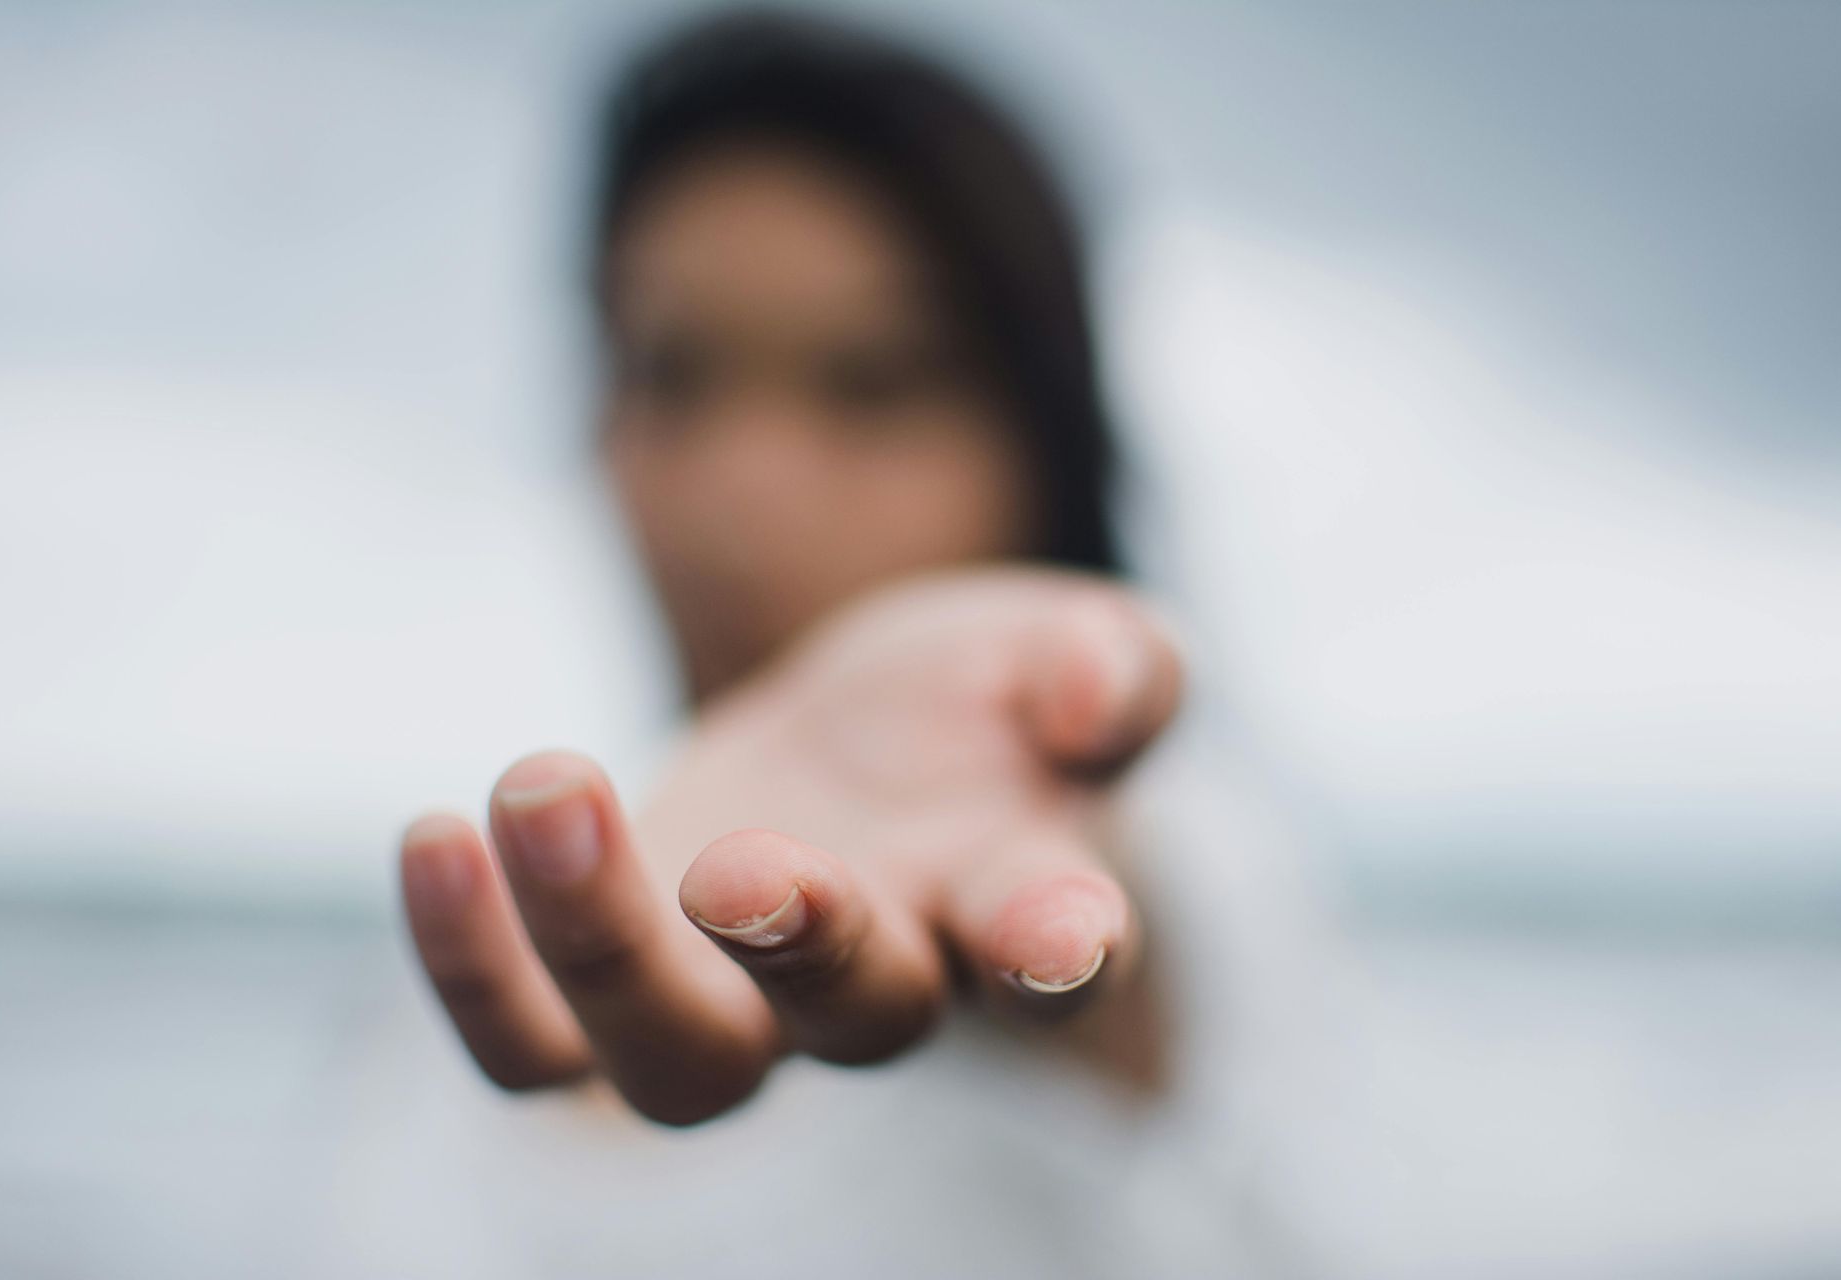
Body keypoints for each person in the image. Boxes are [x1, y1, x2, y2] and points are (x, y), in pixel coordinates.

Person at [391, 10, 1326, 1274]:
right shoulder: (467, 978)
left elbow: (1114, 954)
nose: (745, 488)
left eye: (874, 381)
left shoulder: (1182, 868)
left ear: (1040, 443)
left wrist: (1050, 857)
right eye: (672, 372)